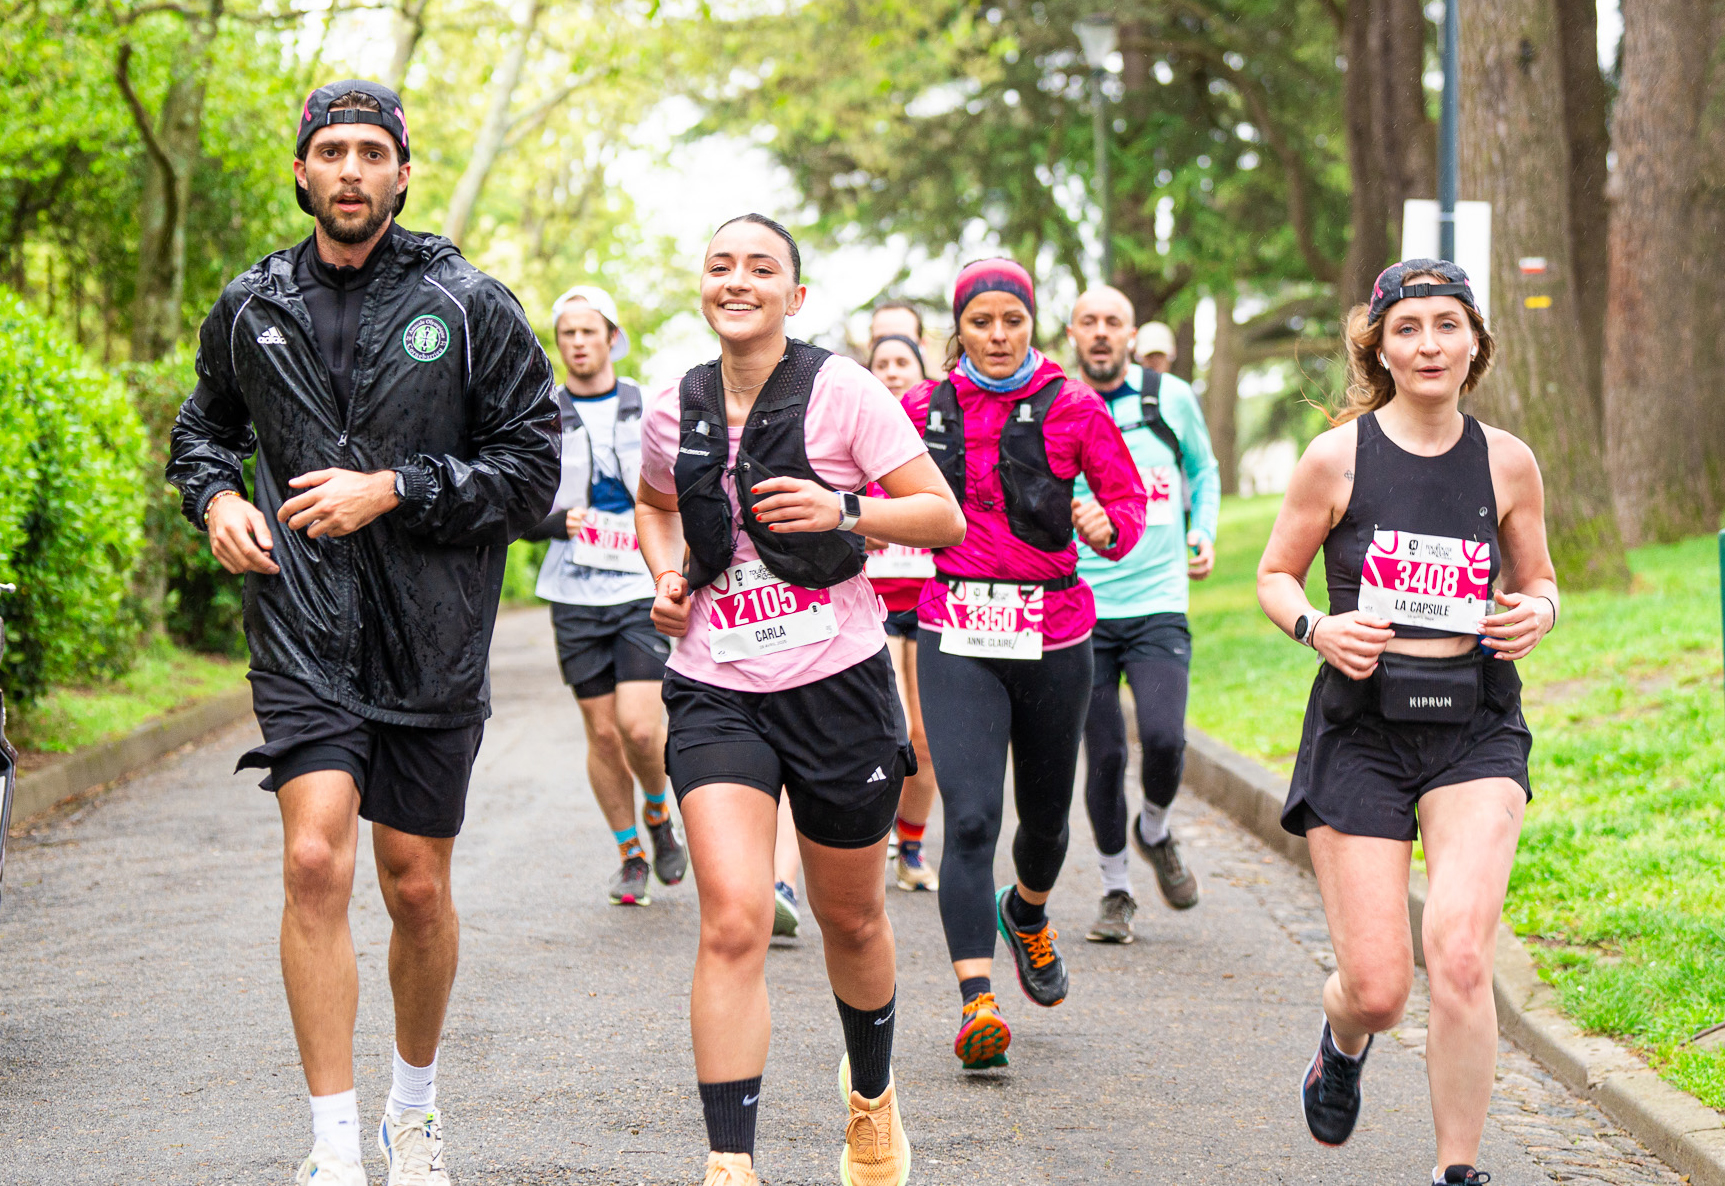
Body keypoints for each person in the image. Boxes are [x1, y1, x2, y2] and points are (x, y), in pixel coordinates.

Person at [166, 81, 559, 1186]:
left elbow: (532, 471)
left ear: (401, 172)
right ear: (301, 171)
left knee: (417, 889)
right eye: (329, 151)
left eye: (370, 151)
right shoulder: (252, 304)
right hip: (301, 629)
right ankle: (333, 1145)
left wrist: (394, 487)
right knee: (310, 858)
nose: (349, 169)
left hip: (433, 638)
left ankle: (415, 1108)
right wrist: (217, 502)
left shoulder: (469, 301)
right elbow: (204, 430)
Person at [635, 213, 965, 1186]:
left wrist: (846, 510)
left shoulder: (843, 393)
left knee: (853, 919)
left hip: (836, 683)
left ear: (795, 295)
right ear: (704, 284)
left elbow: (941, 514)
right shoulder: (674, 409)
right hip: (714, 686)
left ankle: (871, 1101)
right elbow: (656, 505)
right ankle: (729, 1162)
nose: (738, 279)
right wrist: (664, 577)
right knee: (733, 914)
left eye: (761, 267)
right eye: (721, 263)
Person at [1256, 260, 1556, 1186]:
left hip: (1475, 727)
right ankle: (1342, 1039)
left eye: (1445, 326)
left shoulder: (1506, 459)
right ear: (1378, 349)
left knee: (1461, 952)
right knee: (1382, 991)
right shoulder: (1335, 458)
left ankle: (1455, 1172)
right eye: (1407, 329)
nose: (1428, 345)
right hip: (1362, 730)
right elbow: (1273, 576)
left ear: (1475, 343)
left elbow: (1539, 580)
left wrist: (1537, 613)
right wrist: (1317, 626)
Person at [903, 259, 1146, 1071]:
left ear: (1031, 324)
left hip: (1054, 633)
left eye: (1011, 320)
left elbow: (1125, 505)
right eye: (981, 323)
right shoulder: (923, 408)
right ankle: (977, 1002)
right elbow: (868, 481)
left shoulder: (1074, 405)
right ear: (959, 330)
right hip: (955, 627)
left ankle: (1029, 911)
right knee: (970, 818)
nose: (997, 336)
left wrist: (1106, 527)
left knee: (1044, 822)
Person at [521, 284, 686, 906]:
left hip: (643, 583)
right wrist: (550, 522)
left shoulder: (653, 405)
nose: (579, 343)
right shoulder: (539, 411)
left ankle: (656, 811)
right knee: (603, 734)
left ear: (612, 338)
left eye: (590, 332)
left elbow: (685, 484)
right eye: (567, 334)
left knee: (641, 729)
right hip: (573, 589)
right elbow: (516, 498)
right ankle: (631, 854)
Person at [1066, 288, 1220, 944]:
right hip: (1084, 608)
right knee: (1102, 757)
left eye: (1113, 322)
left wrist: (1203, 530)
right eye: (1088, 322)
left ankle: (1153, 829)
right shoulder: (1058, 407)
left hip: (1157, 598)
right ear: (1071, 333)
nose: (1101, 333)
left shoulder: (1168, 398)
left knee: (1162, 738)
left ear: (1131, 334)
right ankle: (1115, 889)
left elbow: (1203, 470)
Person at [865, 333, 941, 892]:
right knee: (886, 732)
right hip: (873, 603)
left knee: (926, 737)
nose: (892, 372)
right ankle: (872, 836)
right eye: (882, 364)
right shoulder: (852, 435)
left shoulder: (944, 440)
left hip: (932, 601)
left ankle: (911, 846)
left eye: (903, 364)